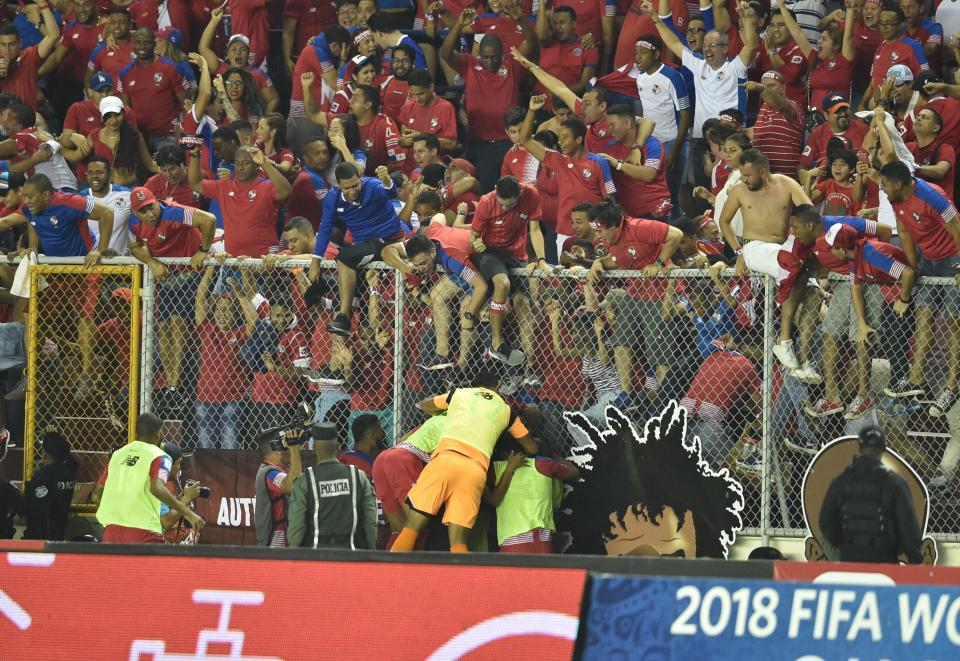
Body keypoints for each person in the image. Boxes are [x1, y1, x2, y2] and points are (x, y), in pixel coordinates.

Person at [391, 367, 538, 553]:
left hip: (445, 461)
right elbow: (532, 448)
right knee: (459, 543)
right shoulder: (507, 411)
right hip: (475, 471)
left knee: (411, 530)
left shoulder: (459, 394)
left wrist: (445, 411)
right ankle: (460, 580)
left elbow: (426, 405)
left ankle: (392, 578)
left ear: (473, 385)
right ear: (497, 386)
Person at [716, 149, 813, 369]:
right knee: (792, 268)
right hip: (754, 249)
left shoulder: (786, 184)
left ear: (763, 172)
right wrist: (739, 252)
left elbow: (809, 212)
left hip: (784, 249)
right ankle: (784, 341)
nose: (743, 179)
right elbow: (724, 222)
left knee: (814, 297)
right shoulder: (739, 191)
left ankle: (803, 359)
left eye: (748, 175)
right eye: (742, 174)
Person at [879, 160, 960, 417]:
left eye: (885, 185)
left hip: (952, 260)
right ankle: (916, 381)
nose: (882, 189)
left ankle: (952, 387)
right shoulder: (896, 199)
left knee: (953, 327)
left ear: (899, 183)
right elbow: (903, 231)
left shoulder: (932, 196)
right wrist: (913, 269)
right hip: (928, 262)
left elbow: (957, 226)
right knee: (923, 319)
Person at [587, 199, 683, 408]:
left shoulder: (639, 227)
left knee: (659, 352)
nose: (598, 236)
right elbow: (618, 261)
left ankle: (666, 402)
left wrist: (657, 263)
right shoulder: (610, 241)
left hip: (660, 294)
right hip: (636, 292)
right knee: (622, 340)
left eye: (601, 231)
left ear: (614, 226)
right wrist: (599, 262)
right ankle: (625, 394)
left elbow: (676, 235)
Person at [308, 162, 413, 338]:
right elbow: (325, 227)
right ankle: (350, 311)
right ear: (338, 185)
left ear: (360, 179)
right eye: (347, 187)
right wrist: (315, 260)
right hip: (365, 245)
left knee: (344, 257)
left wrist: (387, 181)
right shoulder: (333, 197)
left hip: (389, 240)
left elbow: (392, 193)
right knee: (348, 257)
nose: (353, 190)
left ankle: (344, 317)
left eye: (356, 185)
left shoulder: (373, 185)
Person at [440, 7, 536, 192]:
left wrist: (522, 20)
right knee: (486, 191)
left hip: (510, 142)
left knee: (516, 190)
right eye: (485, 57)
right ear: (479, 55)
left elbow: (531, 43)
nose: (490, 61)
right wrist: (459, 25)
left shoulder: (512, 65)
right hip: (480, 143)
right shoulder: (470, 64)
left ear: (502, 54)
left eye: (494, 57)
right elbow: (445, 54)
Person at [516, 93, 615, 253]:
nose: (560, 142)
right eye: (559, 138)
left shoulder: (599, 162)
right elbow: (525, 140)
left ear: (578, 139)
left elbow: (609, 200)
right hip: (564, 231)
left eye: (564, 137)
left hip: (596, 233)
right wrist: (531, 111)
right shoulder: (557, 160)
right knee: (567, 277)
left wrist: (605, 229)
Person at [470, 175, 548, 364]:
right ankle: (496, 343)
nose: (505, 209)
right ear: (496, 191)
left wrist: (541, 260)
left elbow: (535, 230)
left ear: (519, 194)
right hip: (490, 252)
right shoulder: (486, 202)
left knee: (523, 304)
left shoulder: (531, 195)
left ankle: (529, 365)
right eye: (502, 204)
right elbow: (473, 236)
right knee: (502, 283)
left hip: (516, 255)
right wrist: (476, 243)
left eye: (510, 205)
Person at [819, 425, 923, 564]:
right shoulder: (895, 483)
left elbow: (825, 520)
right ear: (884, 448)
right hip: (884, 559)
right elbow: (908, 526)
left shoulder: (841, 480)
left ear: (860, 447)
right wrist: (915, 559)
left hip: (850, 558)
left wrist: (844, 545)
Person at [96, 413, 204, 543]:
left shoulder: (117, 455)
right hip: (143, 532)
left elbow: (96, 496)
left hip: (111, 531)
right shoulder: (160, 456)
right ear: (159, 433)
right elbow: (157, 489)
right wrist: (189, 513)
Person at [187, 143, 292, 259]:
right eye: (237, 163)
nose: (240, 167)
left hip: (263, 262)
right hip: (233, 263)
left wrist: (264, 162)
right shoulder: (224, 187)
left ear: (256, 165)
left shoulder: (266, 187)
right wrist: (194, 154)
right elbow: (195, 183)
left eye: (246, 163)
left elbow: (285, 191)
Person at [287, 422, 378, 549]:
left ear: (316, 448)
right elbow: (371, 521)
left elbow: (296, 528)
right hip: (351, 556)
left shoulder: (305, 480)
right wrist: (370, 549)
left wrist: (294, 554)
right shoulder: (358, 476)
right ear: (338, 446)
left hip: (316, 558)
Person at [116, 28, 187, 147]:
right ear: (133, 44)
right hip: (139, 137)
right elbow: (126, 110)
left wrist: (182, 129)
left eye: (146, 42)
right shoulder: (125, 73)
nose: (142, 46)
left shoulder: (170, 68)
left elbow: (187, 103)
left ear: (154, 44)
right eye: (138, 42)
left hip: (167, 135)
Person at [0, 8, 60, 111]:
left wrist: (44, 6)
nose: (7, 49)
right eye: (3, 45)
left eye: (12, 44)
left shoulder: (30, 56)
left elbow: (53, 36)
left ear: (20, 43)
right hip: (4, 120)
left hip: (28, 117)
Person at [21, 431, 77, 540]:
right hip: (59, 533)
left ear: (45, 452)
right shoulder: (69, 472)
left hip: (41, 538)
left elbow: (32, 510)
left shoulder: (43, 476)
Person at [254, 430, 304, 548]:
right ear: (277, 450)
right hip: (274, 544)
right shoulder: (268, 473)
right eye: (286, 444)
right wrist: (295, 449)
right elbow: (291, 485)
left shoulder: (283, 470)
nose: (289, 447)